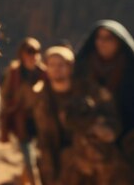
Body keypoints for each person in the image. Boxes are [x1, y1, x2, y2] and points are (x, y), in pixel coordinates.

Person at [34, 46, 133, 184]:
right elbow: (45, 139)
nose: (56, 69)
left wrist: (97, 127)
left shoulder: (91, 90)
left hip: (97, 156)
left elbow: (112, 122)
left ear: (70, 67)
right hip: (64, 161)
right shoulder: (42, 98)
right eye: (52, 65)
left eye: (61, 65)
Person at [74, 19, 134, 163]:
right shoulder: (83, 68)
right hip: (92, 134)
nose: (102, 42)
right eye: (99, 37)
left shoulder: (130, 67)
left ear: (119, 41)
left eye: (108, 38)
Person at [0, 37, 46, 185]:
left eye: (36, 51)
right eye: (29, 52)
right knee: (29, 158)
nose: (33, 55)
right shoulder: (15, 72)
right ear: (22, 53)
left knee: (41, 158)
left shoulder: (43, 72)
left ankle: (24, 179)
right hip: (21, 122)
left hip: (42, 122)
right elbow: (5, 95)